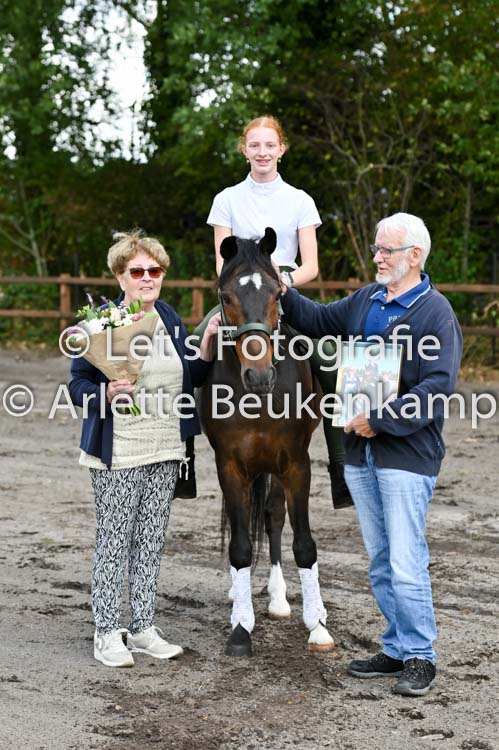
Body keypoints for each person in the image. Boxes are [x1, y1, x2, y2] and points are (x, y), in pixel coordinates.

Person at [279, 212, 463, 696]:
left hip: (406, 456)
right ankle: (396, 647)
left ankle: (421, 656)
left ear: (414, 256)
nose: (377, 257)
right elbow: (317, 319)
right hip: (361, 456)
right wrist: (281, 289)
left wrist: (378, 419)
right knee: (381, 561)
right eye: (377, 249)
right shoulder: (367, 299)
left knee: (406, 560)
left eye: (386, 250)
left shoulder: (435, 312)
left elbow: (436, 388)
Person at [69, 230, 219, 668]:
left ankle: (142, 627)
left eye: (155, 270)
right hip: (119, 450)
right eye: (137, 272)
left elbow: (189, 375)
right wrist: (105, 392)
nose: (147, 278)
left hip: (166, 446)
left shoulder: (169, 317)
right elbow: (77, 384)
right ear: (120, 277)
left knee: (151, 539)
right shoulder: (104, 321)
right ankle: (106, 631)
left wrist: (207, 344)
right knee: (114, 539)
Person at [203, 114, 352, 509]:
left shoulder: (300, 200)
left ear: (281, 149)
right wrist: (238, 287)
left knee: (330, 360)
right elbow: (222, 261)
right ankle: (184, 458)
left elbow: (311, 265)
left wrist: (282, 281)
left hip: (283, 293)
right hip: (240, 296)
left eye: (270, 145)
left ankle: (340, 466)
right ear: (244, 149)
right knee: (193, 349)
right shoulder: (226, 199)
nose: (262, 152)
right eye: (255, 145)